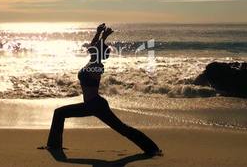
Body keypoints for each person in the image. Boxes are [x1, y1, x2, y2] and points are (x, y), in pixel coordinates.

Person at [45, 23, 161, 156]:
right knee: (60, 114)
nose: (91, 50)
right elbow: (93, 46)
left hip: (95, 104)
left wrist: (103, 37)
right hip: (93, 104)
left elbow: (96, 49)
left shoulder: (97, 65)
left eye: (94, 50)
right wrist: (98, 33)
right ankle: (53, 145)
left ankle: (152, 149)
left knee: (122, 128)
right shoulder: (92, 61)